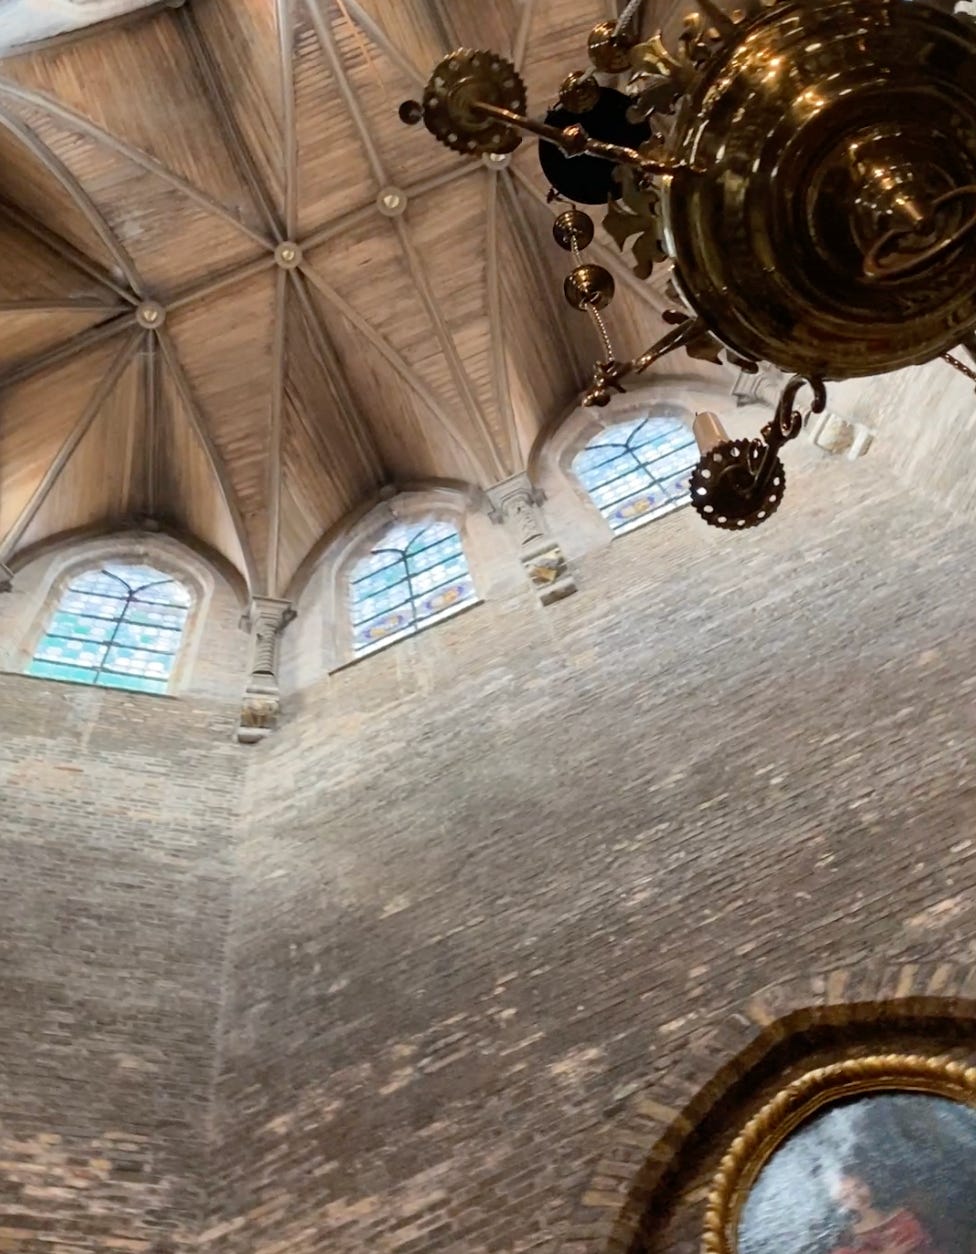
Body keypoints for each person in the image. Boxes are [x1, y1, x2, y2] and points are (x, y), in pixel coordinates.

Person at [829, 1173, 942, 1254]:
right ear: (840, 1205)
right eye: (846, 1197)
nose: (858, 1197)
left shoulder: (909, 1208)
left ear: (868, 1182)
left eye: (858, 1186)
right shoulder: (848, 1240)